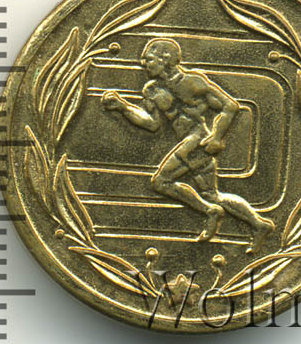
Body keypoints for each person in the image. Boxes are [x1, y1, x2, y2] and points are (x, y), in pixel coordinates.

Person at [102, 38, 274, 253]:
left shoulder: (192, 82)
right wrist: (124, 107)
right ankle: (258, 224)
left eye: (149, 59)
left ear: (165, 59)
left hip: (197, 140)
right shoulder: (152, 89)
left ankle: (211, 211)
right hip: (189, 142)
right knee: (212, 195)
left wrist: (217, 136)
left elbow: (230, 105)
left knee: (161, 181)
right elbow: (152, 123)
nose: (143, 63)